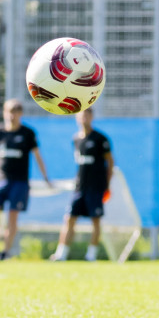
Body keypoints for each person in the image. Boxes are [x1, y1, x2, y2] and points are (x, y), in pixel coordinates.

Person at [0, 98, 50, 261]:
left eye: (15, 112)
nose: (11, 116)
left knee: (12, 216)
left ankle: (6, 252)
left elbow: (38, 156)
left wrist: (46, 177)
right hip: (0, 180)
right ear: (4, 113)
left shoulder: (28, 133)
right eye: (9, 112)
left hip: (19, 182)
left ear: (20, 114)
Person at [50, 107, 114, 262]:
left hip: (96, 187)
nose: (84, 118)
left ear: (91, 116)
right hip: (79, 188)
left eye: (87, 115)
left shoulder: (100, 139)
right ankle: (61, 254)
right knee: (69, 219)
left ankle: (91, 255)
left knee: (96, 220)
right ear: (76, 118)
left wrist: (106, 185)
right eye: (81, 115)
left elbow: (110, 163)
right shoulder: (76, 139)